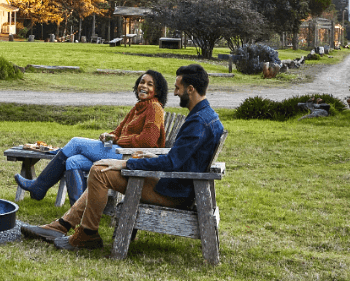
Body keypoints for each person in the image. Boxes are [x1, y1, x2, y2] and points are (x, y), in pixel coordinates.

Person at [21, 63, 225, 251]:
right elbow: (182, 157)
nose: (175, 92)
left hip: (174, 192)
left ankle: (87, 234)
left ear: (191, 89)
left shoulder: (197, 122)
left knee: (100, 171)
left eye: (178, 88)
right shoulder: (207, 117)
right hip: (176, 185)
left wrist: (126, 162)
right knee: (101, 168)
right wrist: (148, 154)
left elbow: (172, 162)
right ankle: (63, 225)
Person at [14, 70, 168, 204]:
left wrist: (118, 140)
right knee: (72, 161)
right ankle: (78, 210)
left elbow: (148, 140)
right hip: (120, 151)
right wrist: (109, 136)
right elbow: (118, 132)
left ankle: (40, 186)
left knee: (75, 143)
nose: (144, 86)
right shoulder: (138, 107)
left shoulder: (154, 108)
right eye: (142, 82)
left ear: (157, 90)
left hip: (131, 158)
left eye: (150, 84)